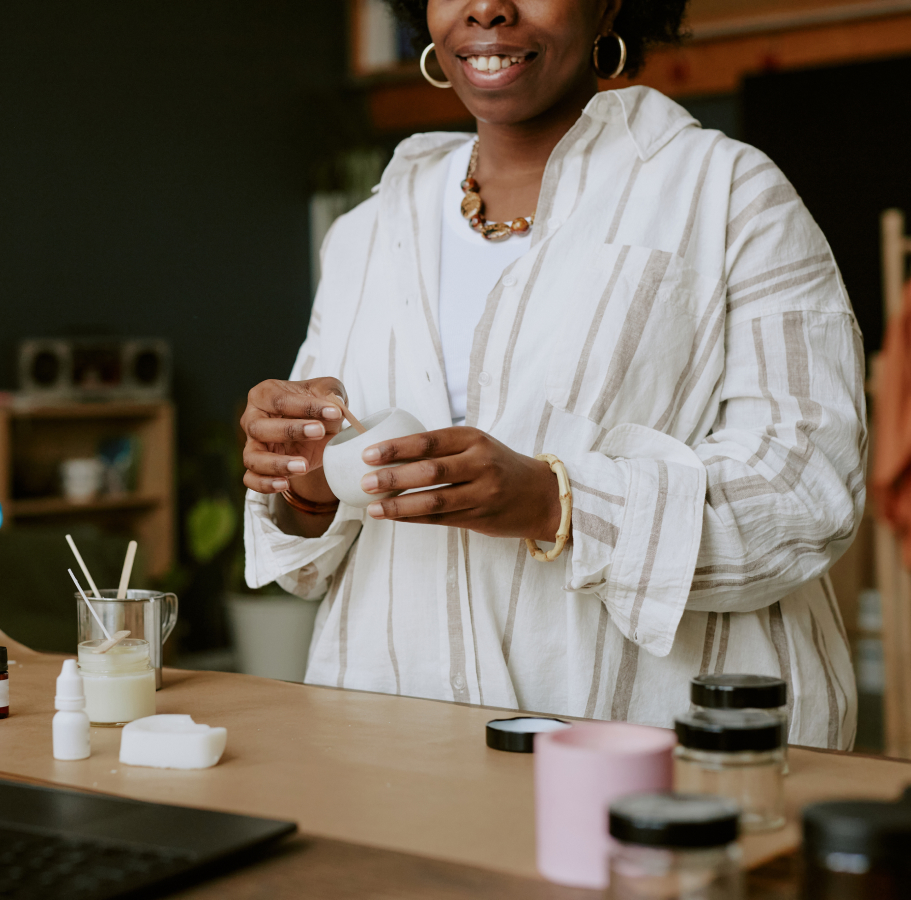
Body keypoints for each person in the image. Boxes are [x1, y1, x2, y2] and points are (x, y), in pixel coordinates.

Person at [240, 0, 864, 749]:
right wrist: (304, 478)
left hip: (653, 740)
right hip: (398, 738)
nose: (487, 6)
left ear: (609, 6)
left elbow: (808, 490)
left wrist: (556, 502)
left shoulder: (729, 194)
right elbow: (308, 560)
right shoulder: (369, 232)